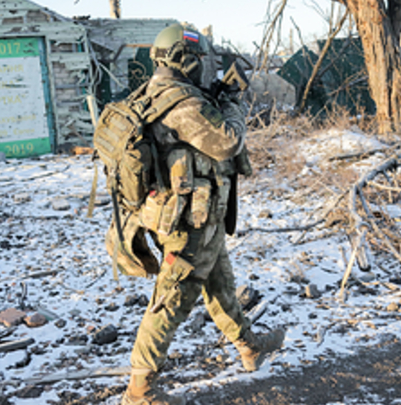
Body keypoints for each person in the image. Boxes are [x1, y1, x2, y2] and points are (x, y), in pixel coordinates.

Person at [117, 23, 285, 405]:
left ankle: (250, 347)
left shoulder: (160, 93)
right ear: (182, 59)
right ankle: (139, 389)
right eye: (198, 59)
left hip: (198, 215)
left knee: (221, 284)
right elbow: (226, 141)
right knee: (174, 297)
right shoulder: (182, 102)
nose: (204, 66)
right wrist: (233, 102)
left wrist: (218, 95)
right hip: (190, 222)